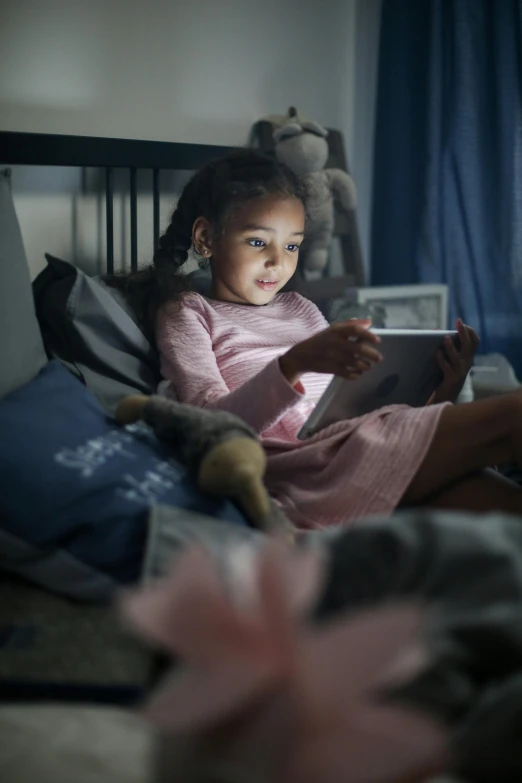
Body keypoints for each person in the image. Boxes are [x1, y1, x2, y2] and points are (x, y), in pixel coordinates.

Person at [131, 150, 522, 530]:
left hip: (360, 449)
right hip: (304, 470)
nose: (277, 261)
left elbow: (354, 407)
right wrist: (292, 365)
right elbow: (209, 425)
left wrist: (445, 388)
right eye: (257, 242)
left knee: (506, 507)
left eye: (291, 246)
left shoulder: (301, 308)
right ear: (205, 238)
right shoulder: (187, 312)